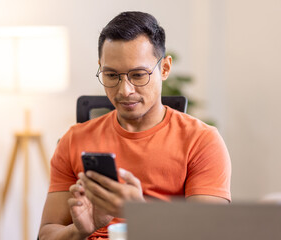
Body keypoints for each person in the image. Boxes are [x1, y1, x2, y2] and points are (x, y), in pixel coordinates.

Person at [38, 11, 231, 240]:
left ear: (165, 68)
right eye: (111, 75)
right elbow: (47, 234)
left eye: (138, 75)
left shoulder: (202, 141)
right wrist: (79, 230)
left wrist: (140, 213)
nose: (124, 90)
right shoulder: (74, 139)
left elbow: (208, 234)